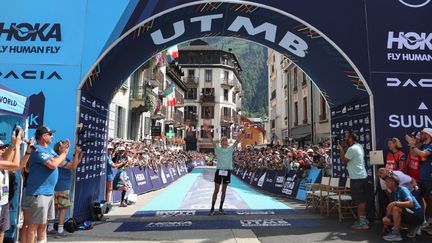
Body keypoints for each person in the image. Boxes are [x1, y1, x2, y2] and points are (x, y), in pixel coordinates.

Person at [26, 126, 70, 243]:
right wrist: (64, 153)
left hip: (48, 193)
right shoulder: (37, 149)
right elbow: (53, 164)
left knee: (43, 225)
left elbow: (60, 163)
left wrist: (64, 153)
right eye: (50, 134)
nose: (52, 136)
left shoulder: (50, 150)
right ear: (43, 136)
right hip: (39, 193)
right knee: (34, 225)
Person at [204, 123, 244, 215]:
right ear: (221, 142)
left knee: (224, 191)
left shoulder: (230, 149)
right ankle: (212, 208)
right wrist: (207, 132)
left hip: (227, 171)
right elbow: (212, 141)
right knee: (216, 190)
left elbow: (237, 141)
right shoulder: (218, 149)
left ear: (227, 142)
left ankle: (221, 208)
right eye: (223, 140)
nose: (224, 141)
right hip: (219, 171)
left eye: (225, 140)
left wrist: (243, 132)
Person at [47, 142, 83, 236]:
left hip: (57, 186)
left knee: (55, 208)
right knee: (63, 208)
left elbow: (75, 163)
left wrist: (78, 154)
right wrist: (77, 154)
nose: (66, 147)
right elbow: (74, 166)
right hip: (62, 187)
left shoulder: (59, 159)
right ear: (59, 148)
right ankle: (60, 229)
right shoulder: (59, 159)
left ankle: (51, 227)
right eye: (63, 146)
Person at [338, 131, 369, 229]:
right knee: (361, 201)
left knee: (360, 201)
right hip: (361, 176)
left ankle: (363, 223)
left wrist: (341, 149)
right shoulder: (359, 146)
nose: (344, 139)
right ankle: (362, 219)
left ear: (351, 138)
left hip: (357, 178)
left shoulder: (352, 149)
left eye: (346, 137)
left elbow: (343, 160)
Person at [382, 172, 424, 241]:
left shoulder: (402, 189)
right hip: (408, 214)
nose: (385, 183)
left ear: (393, 182)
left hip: (417, 215)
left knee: (395, 208)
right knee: (385, 220)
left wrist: (394, 203)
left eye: (387, 181)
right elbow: (390, 208)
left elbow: (411, 203)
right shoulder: (392, 193)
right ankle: (412, 227)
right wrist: (386, 222)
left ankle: (396, 234)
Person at [0, 129, 23, 242]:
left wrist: (13, 143)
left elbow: (7, 155)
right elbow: (15, 165)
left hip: (3, 201)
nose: (3, 149)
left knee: (1, 232)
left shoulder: (3, 160)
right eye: (0, 148)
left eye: (3, 147)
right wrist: (17, 146)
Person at [406, 127, 432, 227]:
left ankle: (429, 220)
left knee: (429, 199)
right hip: (421, 177)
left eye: (422, 133)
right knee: (419, 198)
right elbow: (413, 154)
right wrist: (411, 143)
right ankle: (422, 220)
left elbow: (423, 154)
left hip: (429, 177)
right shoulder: (423, 145)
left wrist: (412, 144)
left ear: (428, 135)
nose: (420, 135)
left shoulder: (430, 145)